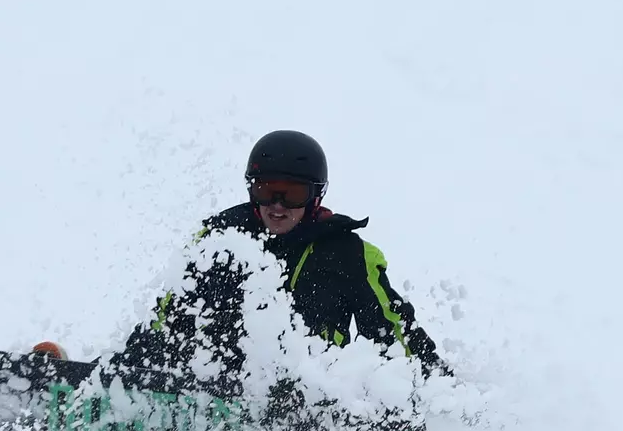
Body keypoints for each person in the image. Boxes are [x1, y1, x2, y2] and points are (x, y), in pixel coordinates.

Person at [105, 130, 451, 385]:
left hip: (306, 395)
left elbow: (393, 330)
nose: (278, 206)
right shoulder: (220, 238)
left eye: (294, 194)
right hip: (212, 384)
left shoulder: (349, 253)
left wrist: (436, 386)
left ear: (316, 196)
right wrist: (120, 371)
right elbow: (168, 317)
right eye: (267, 191)